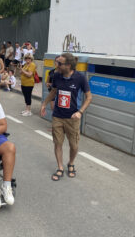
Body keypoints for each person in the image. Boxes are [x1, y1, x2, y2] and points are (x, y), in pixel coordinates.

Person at [40, 53, 92, 181]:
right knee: (58, 143)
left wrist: (80, 112)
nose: (56, 65)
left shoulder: (80, 78)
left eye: (59, 63)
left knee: (74, 145)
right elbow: (54, 91)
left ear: (68, 65)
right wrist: (45, 103)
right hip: (57, 115)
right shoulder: (57, 75)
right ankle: (60, 167)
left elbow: (89, 97)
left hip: (73, 117)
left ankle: (71, 163)